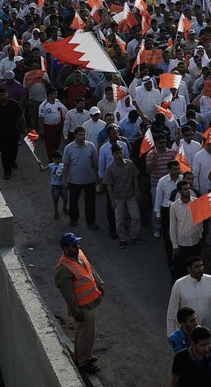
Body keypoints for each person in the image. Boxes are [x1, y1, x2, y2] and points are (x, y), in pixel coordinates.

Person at [53, 232, 105, 374]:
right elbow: (68, 295)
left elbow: (90, 269)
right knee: (85, 333)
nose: (77, 247)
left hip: (90, 303)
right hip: (82, 308)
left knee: (84, 333)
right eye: (74, 245)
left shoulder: (79, 255)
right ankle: (83, 363)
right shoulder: (63, 269)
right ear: (65, 248)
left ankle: (82, 356)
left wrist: (99, 284)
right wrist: (76, 312)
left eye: (77, 244)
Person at [168, 256, 211, 339]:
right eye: (196, 267)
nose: (200, 268)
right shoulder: (179, 285)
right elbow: (172, 311)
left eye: (201, 265)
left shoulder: (210, 281)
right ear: (189, 269)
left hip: (207, 328)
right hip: (187, 332)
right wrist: (171, 334)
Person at [102, 142, 142, 247]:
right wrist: (111, 200)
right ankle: (123, 238)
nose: (119, 155)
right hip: (118, 197)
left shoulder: (129, 164)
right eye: (117, 153)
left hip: (130, 195)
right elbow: (109, 185)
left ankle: (134, 236)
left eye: (120, 152)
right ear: (113, 154)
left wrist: (137, 190)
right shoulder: (110, 169)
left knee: (136, 217)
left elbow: (134, 177)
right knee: (119, 220)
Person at [62, 126, 99, 230]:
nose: (83, 137)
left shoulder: (91, 146)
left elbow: (95, 162)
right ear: (75, 136)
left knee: (90, 202)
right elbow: (66, 165)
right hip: (74, 180)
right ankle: (73, 219)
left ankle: (91, 222)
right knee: (73, 201)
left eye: (84, 135)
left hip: (89, 179)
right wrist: (64, 180)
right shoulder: (69, 148)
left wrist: (97, 175)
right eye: (80, 135)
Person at [0, 87, 25, 179]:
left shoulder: (14, 104)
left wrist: (23, 129)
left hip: (14, 132)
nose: (3, 97)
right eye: (0, 95)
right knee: (4, 151)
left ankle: (12, 161)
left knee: (14, 149)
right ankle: (7, 170)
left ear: (7, 94)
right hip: (1, 133)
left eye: (4, 94)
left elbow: (21, 116)